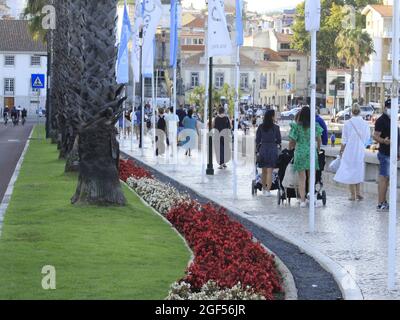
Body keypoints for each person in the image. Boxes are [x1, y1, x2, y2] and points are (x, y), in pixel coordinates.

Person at [334, 104, 371, 201]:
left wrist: (341, 151)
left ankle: (353, 194)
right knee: (358, 170)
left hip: (349, 150)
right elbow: (367, 138)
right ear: (360, 111)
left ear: (351, 112)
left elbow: (344, 139)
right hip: (360, 149)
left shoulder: (348, 123)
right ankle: (358, 192)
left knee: (350, 170)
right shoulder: (365, 123)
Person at [289, 106, 323, 208]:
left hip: (300, 152)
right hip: (312, 153)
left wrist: (291, 148)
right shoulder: (315, 126)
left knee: (301, 178)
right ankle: (311, 197)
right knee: (311, 178)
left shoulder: (297, 127)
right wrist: (318, 149)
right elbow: (319, 140)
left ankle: (302, 201)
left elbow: (292, 141)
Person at [373, 99, 399, 212]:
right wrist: (384, 141)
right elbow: (375, 136)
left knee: (387, 179)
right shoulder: (381, 120)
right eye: (390, 106)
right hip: (384, 154)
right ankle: (380, 203)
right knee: (383, 178)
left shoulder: (392, 119)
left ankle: (383, 201)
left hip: (391, 154)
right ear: (385, 107)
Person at [256, 110, 282, 197]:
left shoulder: (260, 127)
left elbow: (257, 140)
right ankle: (268, 190)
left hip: (263, 148)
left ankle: (263, 188)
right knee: (270, 171)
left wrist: (257, 150)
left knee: (263, 171)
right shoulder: (276, 128)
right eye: (275, 115)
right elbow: (279, 140)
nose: (276, 117)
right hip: (272, 149)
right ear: (272, 117)